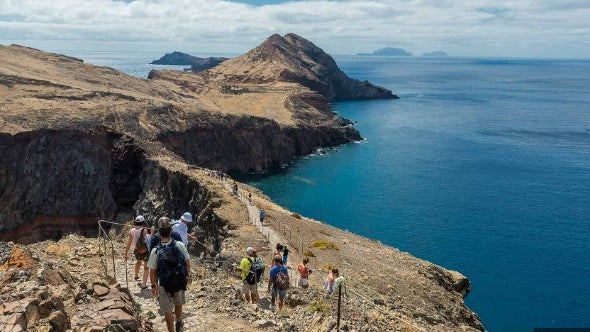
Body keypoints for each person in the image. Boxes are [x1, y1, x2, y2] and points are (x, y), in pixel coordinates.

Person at [148, 220, 191, 332]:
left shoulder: (155, 251)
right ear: (171, 232)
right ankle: (179, 322)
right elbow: (187, 261)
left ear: (159, 233)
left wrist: (153, 285)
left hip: (163, 283)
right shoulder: (179, 245)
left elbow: (152, 271)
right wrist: (187, 275)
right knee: (178, 303)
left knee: (167, 310)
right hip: (179, 280)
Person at [124, 215, 152, 290]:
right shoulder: (144, 230)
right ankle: (144, 284)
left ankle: (136, 275)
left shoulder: (131, 231)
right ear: (143, 222)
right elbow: (148, 241)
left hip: (137, 250)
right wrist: (152, 233)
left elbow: (129, 243)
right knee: (146, 268)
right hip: (145, 251)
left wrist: (126, 253)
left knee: (138, 262)